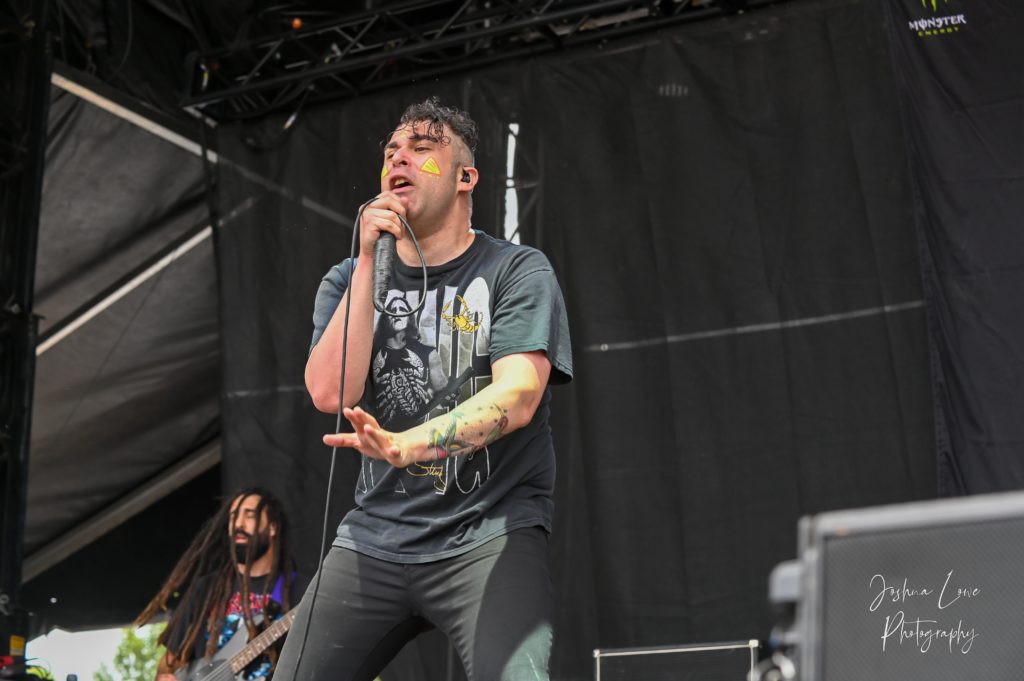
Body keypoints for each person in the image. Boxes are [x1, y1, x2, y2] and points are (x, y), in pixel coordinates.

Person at [274, 97, 573, 681]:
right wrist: (368, 261)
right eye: (391, 152)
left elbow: (517, 396)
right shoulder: (347, 279)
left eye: (422, 148)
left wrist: (407, 445)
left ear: (465, 178)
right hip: (375, 537)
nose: (399, 159)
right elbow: (330, 393)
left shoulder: (515, 270)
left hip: (489, 531)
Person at [137, 489, 298, 681]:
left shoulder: (297, 590)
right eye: (233, 517)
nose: (238, 524)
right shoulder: (207, 588)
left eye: (249, 515)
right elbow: (169, 662)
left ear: (272, 528)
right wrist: (164, 676)